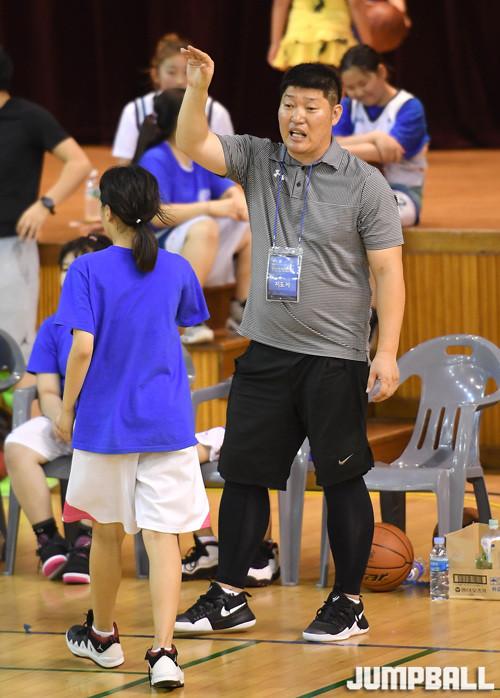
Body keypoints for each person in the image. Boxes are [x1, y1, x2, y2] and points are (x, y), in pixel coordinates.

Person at [173, 46, 405, 642]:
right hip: (267, 350)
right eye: (287, 105)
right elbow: (194, 142)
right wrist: (198, 88)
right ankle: (229, 595)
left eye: (309, 107)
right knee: (244, 474)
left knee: (343, 479)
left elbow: (388, 273)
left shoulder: (365, 184)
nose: (296, 117)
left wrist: (385, 351)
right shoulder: (259, 160)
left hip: (335, 357)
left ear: (336, 112)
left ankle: (348, 602)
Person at [56, 166, 209, 689]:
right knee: (164, 539)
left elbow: (81, 348)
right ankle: (164, 652)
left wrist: (66, 409)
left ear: (106, 212)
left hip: (106, 426)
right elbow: (186, 322)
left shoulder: (86, 269)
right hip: (167, 423)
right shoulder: (178, 267)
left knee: (105, 533)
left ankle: (102, 638)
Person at [4, 235, 111, 584]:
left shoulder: (118, 319)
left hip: (108, 422)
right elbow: (47, 388)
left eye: (79, 267)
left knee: (99, 446)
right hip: (64, 417)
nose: (69, 275)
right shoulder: (53, 326)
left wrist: (84, 423)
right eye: (65, 268)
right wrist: (60, 417)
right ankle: (48, 540)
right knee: (18, 445)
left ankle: (86, 542)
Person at [135, 88, 251, 344]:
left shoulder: (198, 156)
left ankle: (242, 310)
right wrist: (209, 208)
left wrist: (237, 201)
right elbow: (156, 216)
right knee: (205, 226)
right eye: (198, 113)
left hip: (196, 243)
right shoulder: (156, 158)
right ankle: (186, 317)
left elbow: (228, 189)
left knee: (248, 228)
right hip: (160, 248)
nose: (205, 121)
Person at [0, 46, 92, 360]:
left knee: (12, 345)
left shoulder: (28, 117)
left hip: (10, 245)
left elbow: (78, 162)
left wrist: (45, 204)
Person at [335, 44, 429, 226]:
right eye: (351, 87)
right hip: (356, 189)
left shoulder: (409, 107)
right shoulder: (347, 105)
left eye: (363, 83)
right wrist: (375, 137)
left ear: (381, 72)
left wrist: (334, 150)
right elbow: (332, 143)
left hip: (401, 191)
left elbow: (389, 153)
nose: (358, 92)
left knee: (382, 218)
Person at [113, 33, 233, 165]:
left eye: (187, 72)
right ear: (155, 75)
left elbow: (229, 165)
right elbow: (124, 164)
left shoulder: (216, 112)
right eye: (171, 72)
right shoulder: (135, 111)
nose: (180, 81)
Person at [185, 426, 280, 587]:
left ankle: (262, 548)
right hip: (230, 431)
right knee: (177, 459)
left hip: (262, 432)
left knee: (253, 453)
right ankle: (207, 545)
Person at [268, 0, 410, 71]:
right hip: (335, 39)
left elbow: (280, 3)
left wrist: (275, 42)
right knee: (334, 101)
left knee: (299, 98)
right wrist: (368, 47)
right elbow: (355, 4)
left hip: (300, 39)